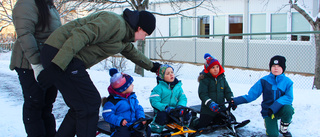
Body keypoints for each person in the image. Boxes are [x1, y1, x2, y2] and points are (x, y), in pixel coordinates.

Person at [33, 8, 161, 137]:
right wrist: (57, 65)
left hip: (66, 57)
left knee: (80, 107)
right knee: (91, 102)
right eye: (145, 34)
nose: (143, 39)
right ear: (139, 28)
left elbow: (133, 53)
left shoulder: (123, 38)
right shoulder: (115, 22)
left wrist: (153, 67)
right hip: (60, 53)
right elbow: (81, 34)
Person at [9, 0, 61, 136]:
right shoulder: (25, 4)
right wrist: (37, 64)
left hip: (48, 62)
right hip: (29, 64)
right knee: (35, 104)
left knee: (47, 105)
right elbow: (25, 34)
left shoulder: (47, 4)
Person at [232, 55, 294, 137]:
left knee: (289, 109)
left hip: (281, 109)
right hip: (268, 112)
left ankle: (284, 128)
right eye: (273, 66)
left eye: (279, 66)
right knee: (273, 135)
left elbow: (289, 97)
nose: (276, 68)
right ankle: (270, 125)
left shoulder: (288, 82)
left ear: (283, 68)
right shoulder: (264, 81)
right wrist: (236, 101)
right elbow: (251, 95)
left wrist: (275, 107)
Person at [102, 68, 149, 137]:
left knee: (146, 129)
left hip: (133, 123)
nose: (133, 85)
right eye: (130, 84)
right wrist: (119, 121)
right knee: (123, 134)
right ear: (124, 88)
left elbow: (138, 108)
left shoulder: (132, 97)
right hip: (120, 126)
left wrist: (141, 117)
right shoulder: (113, 101)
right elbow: (107, 115)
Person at [194, 53, 234, 130]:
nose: (216, 69)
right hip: (208, 109)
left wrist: (231, 99)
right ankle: (193, 119)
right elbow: (203, 94)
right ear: (208, 69)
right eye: (213, 67)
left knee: (230, 120)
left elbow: (227, 91)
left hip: (221, 107)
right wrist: (210, 103)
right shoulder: (205, 79)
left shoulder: (221, 78)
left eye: (217, 67)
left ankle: (216, 121)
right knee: (201, 126)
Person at [149, 64, 188, 133]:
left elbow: (183, 98)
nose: (171, 75)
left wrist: (180, 106)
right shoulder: (159, 88)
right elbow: (154, 101)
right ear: (162, 77)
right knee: (162, 116)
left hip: (174, 110)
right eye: (167, 73)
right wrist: (165, 108)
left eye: (172, 72)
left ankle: (184, 125)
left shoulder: (178, 87)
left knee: (186, 113)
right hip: (163, 111)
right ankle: (156, 127)